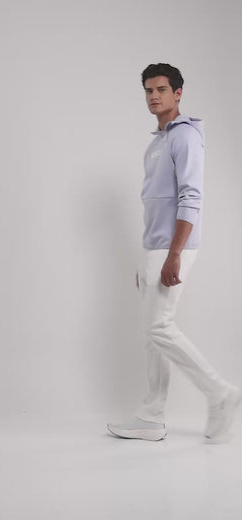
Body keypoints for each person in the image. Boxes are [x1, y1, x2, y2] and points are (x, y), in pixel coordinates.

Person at [107, 63, 241, 441]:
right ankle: (152, 415)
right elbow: (155, 203)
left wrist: (174, 254)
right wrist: (146, 257)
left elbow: (190, 197)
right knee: (153, 336)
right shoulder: (158, 141)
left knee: (159, 327)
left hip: (173, 247)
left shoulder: (185, 137)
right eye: (149, 90)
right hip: (156, 247)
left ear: (178, 93)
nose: (154, 96)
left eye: (161, 89)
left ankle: (220, 393)